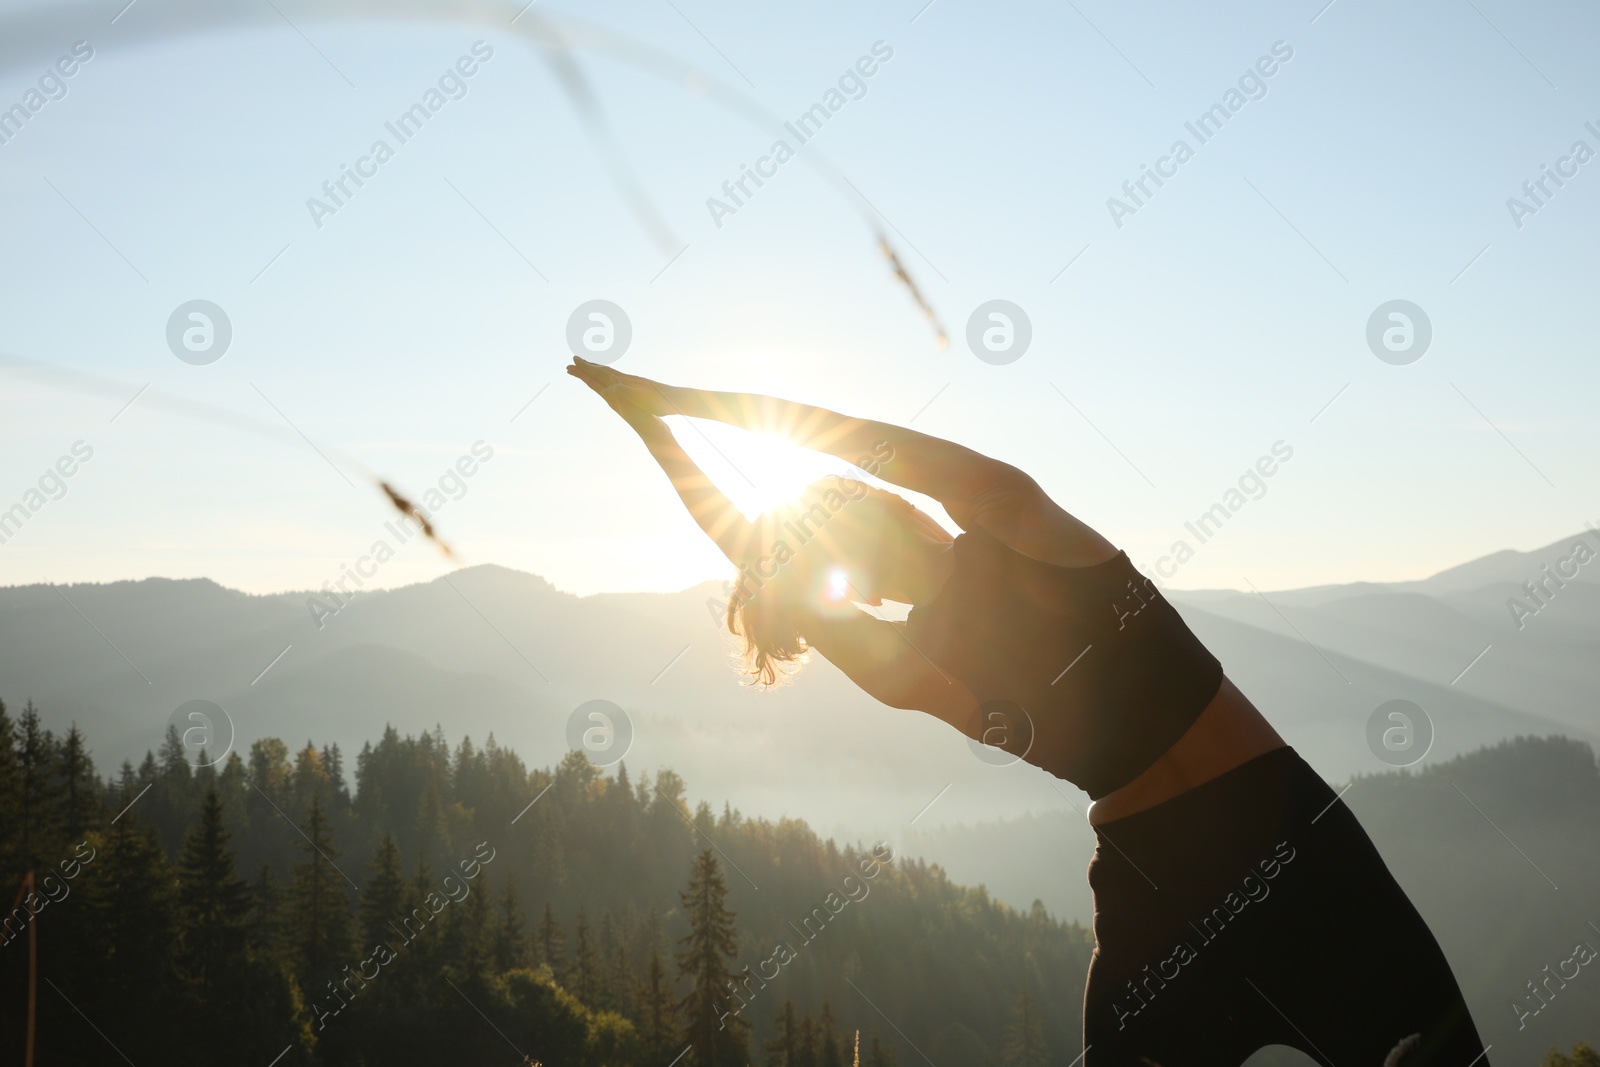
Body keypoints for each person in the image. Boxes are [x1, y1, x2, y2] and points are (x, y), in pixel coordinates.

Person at [567, 356, 1491, 1066]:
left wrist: (662, 421)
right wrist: (677, 409)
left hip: (1167, 888)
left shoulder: (924, 656)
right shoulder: (1019, 532)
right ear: (888, 502)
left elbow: (780, 530)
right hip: (1272, 839)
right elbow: (861, 449)